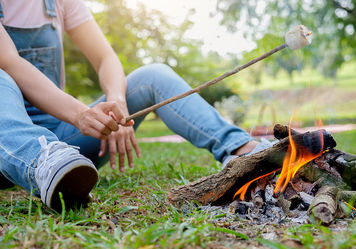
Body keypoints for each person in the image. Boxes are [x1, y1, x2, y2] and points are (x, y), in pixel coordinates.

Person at [0, 0, 270, 211]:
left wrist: (116, 103)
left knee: (153, 76)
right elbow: (9, 61)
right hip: (9, 148)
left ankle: (243, 151)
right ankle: (36, 159)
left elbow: (105, 56)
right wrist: (80, 113)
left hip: (61, 154)